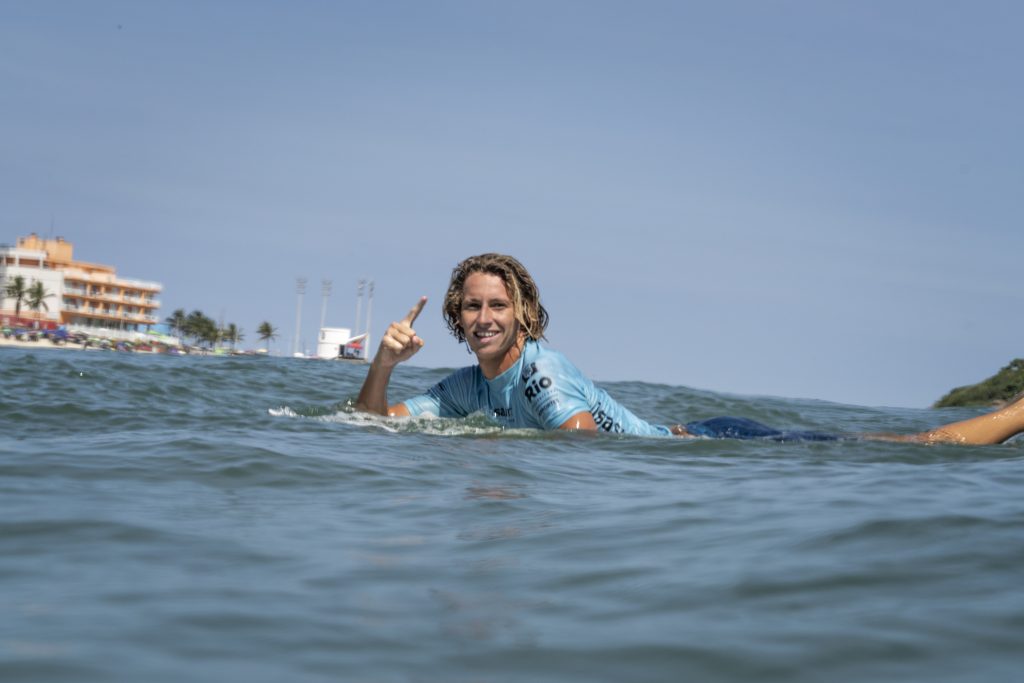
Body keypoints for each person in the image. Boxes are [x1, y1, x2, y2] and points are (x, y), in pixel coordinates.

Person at [356, 253, 1024, 445]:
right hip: (693, 439)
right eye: (471, 306)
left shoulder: (539, 375)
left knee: (910, 448)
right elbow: (373, 421)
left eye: (497, 305)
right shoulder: (466, 386)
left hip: (718, 442)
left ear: (524, 315)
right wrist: (383, 365)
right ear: (455, 316)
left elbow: (586, 446)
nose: (483, 316)